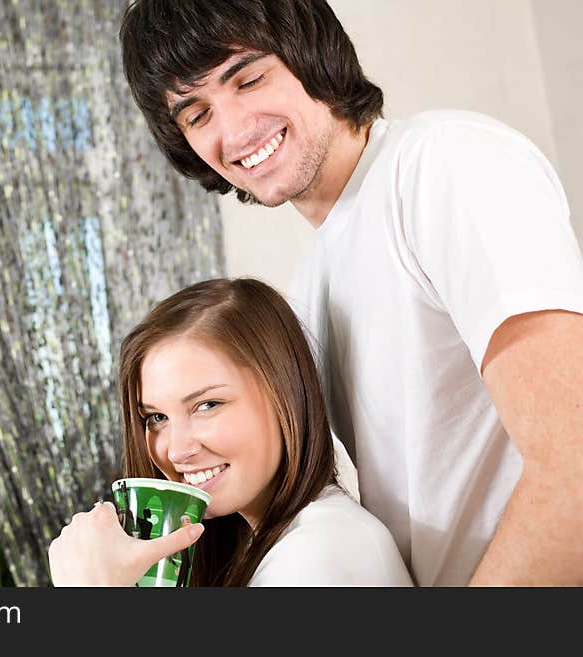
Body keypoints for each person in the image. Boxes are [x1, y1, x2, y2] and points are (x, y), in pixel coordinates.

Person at [118, 0, 583, 586]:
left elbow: (576, 464)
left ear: (310, 54)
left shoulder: (443, 165)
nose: (232, 130)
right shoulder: (313, 281)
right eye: (197, 114)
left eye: (250, 78)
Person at [48, 277, 413, 586]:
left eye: (207, 405)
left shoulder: (322, 554)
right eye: (156, 418)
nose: (176, 451)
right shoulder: (258, 543)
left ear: (284, 393)